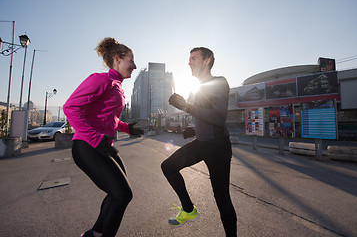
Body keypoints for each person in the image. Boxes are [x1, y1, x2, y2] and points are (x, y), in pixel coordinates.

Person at [63, 37, 144, 237]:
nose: (134, 65)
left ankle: (95, 234)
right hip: (87, 146)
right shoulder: (101, 79)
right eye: (131, 61)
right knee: (122, 194)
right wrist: (95, 138)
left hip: (101, 145)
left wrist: (127, 128)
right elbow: (70, 108)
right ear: (117, 59)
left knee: (119, 194)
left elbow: (108, 118)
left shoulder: (117, 86)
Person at [161, 47, 237, 236]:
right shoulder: (196, 90)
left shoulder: (218, 82)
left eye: (194, 58)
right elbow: (205, 116)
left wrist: (186, 106)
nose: (189, 62)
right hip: (201, 144)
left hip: (218, 147)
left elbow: (218, 118)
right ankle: (188, 209)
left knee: (222, 199)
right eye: (189, 59)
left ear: (207, 60)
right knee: (168, 166)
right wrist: (194, 129)